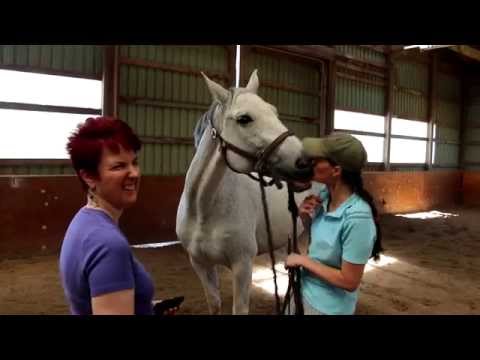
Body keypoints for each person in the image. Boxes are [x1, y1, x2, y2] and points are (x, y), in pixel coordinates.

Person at [59, 116, 180, 315]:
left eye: (134, 162)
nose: (133, 173)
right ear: (89, 177)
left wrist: (147, 309)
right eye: (118, 166)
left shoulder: (82, 222)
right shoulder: (108, 244)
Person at [285, 132, 383, 315]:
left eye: (317, 159)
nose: (310, 162)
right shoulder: (324, 196)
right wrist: (305, 216)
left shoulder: (357, 218)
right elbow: (324, 240)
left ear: (336, 170)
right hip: (304, 291)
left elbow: (349, 281)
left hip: (326, 307)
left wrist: (304, 261)